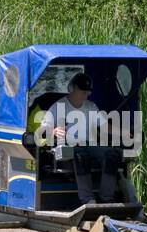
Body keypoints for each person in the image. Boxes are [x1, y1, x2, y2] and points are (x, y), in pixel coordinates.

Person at [47, 72, 121, 205]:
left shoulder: (91, 106)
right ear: (72, 88)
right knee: (81, 154)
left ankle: (106, 197)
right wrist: (53, 131)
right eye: (82, 92)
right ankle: (87, 200)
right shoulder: (58, 106)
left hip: (89, 144)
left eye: (87, 93)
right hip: (69, 147)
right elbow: (42, 129)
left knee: (112, 154)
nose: (85, 95)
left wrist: (125, 133)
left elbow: (105, 127)